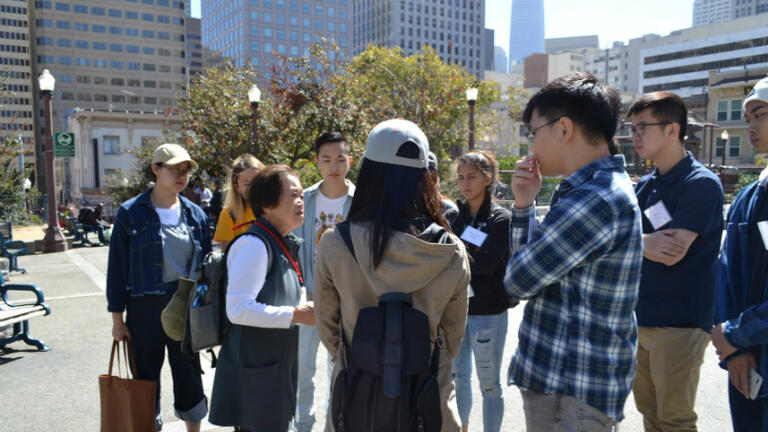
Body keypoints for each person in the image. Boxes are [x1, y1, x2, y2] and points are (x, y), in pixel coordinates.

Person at [504, 72, 643, 431]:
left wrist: (522, 211)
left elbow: (518, 281)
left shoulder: (594, 200)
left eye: (533, 133)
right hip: (566, 384)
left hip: (570, 390)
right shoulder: (589, 191)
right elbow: (527, 273)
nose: (531, 147)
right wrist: (523, 206)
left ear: (563, 129)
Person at [313, 118, 471, 431]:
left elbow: (328, 329)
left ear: (368, 170)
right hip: (428, 402)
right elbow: (452, 337)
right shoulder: (449, 249)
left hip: (354, 395)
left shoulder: (336, 242)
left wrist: (361, 355)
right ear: (424, 175)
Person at [627, 92, 724, 432]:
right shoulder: (646, 186)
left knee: (675, 420)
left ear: (672, 130)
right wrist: (641, 243)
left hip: (680, 322)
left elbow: (671, 252)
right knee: (650, 415)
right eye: (632, 128)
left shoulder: (701, 184)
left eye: (642, 127)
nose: (634, 136)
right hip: (641, 318)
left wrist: (635, 244)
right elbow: (632, 243)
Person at [107, 143, 211, 432]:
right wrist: (118, 321)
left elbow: (204, 268)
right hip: (144, 307)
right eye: (174, 169)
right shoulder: (131, 212)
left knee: (189, 374)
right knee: (146, 379)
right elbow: (117, 269)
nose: (181, 175)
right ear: (155, 169)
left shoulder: (196, 214)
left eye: (186, 170)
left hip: (185, 305)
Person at [209, 164, 316, 432]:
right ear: (267, 205)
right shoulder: (254, 245)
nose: (300, 201)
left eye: (302, 195)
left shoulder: (281, 242)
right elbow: (237, 309)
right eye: (293, 195)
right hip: (255, 376)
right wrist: (295, 314)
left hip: (273, 370)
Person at [711, 75, 768, 432]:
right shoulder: (750, 196)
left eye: (759, 114)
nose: (750, 126)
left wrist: (736, 333)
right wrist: (734, 348)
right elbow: (726, 272)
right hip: (746, 362)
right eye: (747, 118)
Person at [292, 132, 356, 432]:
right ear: (317, 162)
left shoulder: (360, 201)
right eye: (327, 159)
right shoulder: (304, 199)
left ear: (350, 161)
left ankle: (337, 424)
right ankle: (304, 425)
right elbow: (292, 245)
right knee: (303, 369)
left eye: (340, 159)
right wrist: (300, 289)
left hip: (346, 299)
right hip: (308, 296)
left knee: (339, 370)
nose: (334, 165)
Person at [449, 150, 512, 432]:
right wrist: (468, 252)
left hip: (489, 312)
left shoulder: (501, 218)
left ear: (487, 179)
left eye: (472, 176)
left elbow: (486, 263)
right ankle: (462, 427)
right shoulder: (455, 217)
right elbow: (445, 258)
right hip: (457, 310)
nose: (465, 183)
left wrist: (460, 255)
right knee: (458, 377)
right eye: (461, 177)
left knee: (489, 384)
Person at [214, 154, 265, 251]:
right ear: (237, 188)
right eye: (246, 184)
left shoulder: (275, 210)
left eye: (257, 181)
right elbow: (227, 257)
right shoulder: (229, 215)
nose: (253, 187)